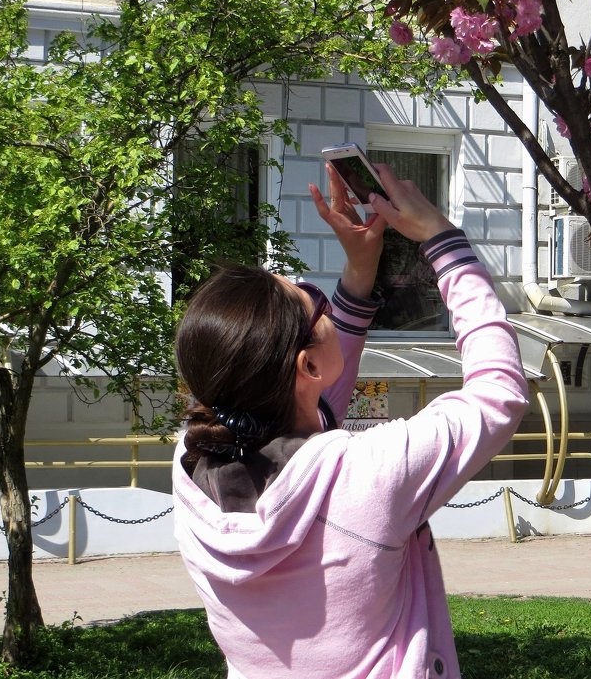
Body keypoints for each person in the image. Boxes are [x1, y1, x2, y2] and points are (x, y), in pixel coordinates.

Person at [171, 162, 529, 679]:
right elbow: (498, 396)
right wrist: (443, 241)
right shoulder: (372, 472)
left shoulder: (191, 460)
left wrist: (361, 270)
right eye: (313, 302)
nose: (322, 302)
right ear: (308, 366)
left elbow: (307, 408)